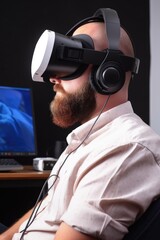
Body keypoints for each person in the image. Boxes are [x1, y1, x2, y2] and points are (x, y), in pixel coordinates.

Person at [1, 7, 160, 240]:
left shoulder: (125, 149)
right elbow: (49, 206)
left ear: (108, 74)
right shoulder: (89, 140)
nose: (54, 78)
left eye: (69, 64)